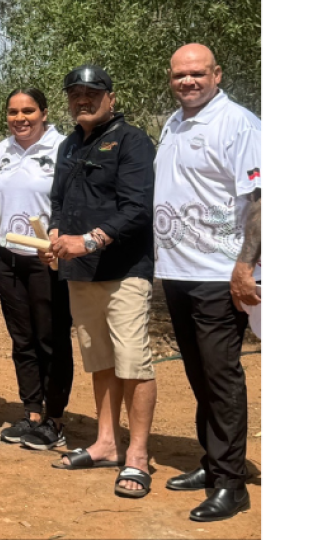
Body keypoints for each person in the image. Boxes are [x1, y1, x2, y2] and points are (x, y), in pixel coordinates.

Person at [154, 44, 261, 522]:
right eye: (180, 75)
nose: (188, 81)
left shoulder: (239, 124)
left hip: (219, 274)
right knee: (198, 375)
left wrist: (244, 267)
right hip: (178, 271)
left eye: (197, 73)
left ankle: (231, 484)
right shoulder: (173, 123)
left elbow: (261, 200)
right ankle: (213, 462)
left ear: (217, 74)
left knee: (220, 377)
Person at [41, 64, 157, 499]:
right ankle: (107, 443)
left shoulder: (133, 140)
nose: (83, 100)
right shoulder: (69, 144)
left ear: (111, 96)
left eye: (92, 93)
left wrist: (89, 241)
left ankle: (138, 456)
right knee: (100, 361)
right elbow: (57, 199)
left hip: (124, 271)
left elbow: (137, 208)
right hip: (79, 272)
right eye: (75, 94)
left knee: (134, 363)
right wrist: (55, 231)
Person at [0, 88, 74, 450]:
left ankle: (55, 418)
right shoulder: (0, 150)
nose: (20, 118)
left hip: (47, 259)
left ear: (43, 112)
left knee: (50, 338)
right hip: (7, 257)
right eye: (13, 112)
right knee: (22, 340)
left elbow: (71, 200)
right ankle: (32, 413)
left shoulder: (63, 148)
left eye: (28, 111)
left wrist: (59, 239)